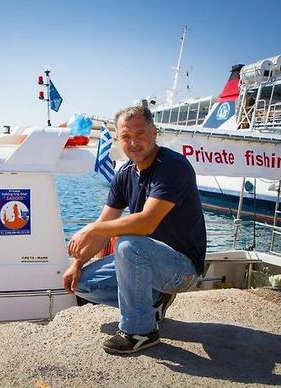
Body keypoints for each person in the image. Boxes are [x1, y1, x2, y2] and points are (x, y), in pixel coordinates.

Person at [62, 106, 206, 354]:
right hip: (150, 261)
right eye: (126, 136)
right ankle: (154, 301)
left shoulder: (173, 167)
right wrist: (77, 263)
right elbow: (105, 225)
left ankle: (140, 331)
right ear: (118, 138)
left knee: (127, 244)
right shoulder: (125, 173)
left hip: (182, 269)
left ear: (154, 132)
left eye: (140, 134)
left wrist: (92, 228)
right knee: (83, 283)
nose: (133, 142)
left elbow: (146, 222)